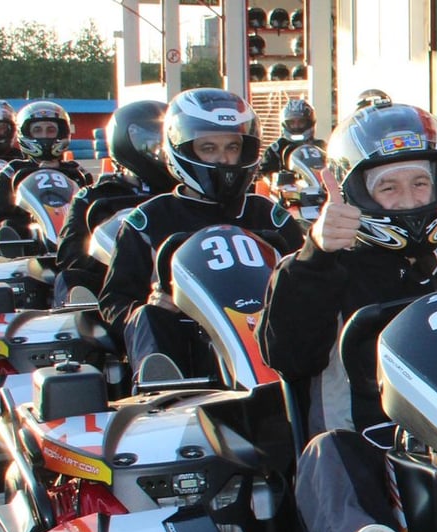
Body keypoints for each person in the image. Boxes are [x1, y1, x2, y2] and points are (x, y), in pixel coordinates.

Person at [257, 98, 437, 532]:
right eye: (388, 187)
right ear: (355, 194)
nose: (408, 199)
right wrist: (315, 256)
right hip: (370, 451)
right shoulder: (319, 275)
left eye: (420, 184)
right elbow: (287, 355)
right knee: (327, 452)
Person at [99, 88, 302, 380]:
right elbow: (113, 303)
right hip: (187, 343)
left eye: (232, 147)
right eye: (209, 148)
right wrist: (150, 304)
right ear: (181, 149)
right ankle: (164, 395)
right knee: (148, 317)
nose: (223, 159)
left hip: (267, 338)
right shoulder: (149, 220)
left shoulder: (269, 215)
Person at [55, 99, 170, 301]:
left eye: (165, 140)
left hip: (178, 282)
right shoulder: (93, 197)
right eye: (153, 140)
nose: (160, 149)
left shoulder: (185, 194)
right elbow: (71, 257)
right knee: (70, 278)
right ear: (122, 139)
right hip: (117, 288)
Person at [0, 100, 91, 243]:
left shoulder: (76, 171)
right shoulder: (12, 171)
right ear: (25, 133)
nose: (44, 136)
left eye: (50, 130)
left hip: (73, 234)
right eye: (37, 130)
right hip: (29, 236)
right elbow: (2, 213)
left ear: (62, 133)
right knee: (8, 226)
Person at [257, 98, 323, 177]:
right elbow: (264, 175)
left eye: (301, 122)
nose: (296, 126)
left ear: (310, 122)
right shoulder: (275, 150)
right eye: (292, 122)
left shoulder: (321, 147)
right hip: (286, 189)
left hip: (318, 188)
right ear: (285, 124)